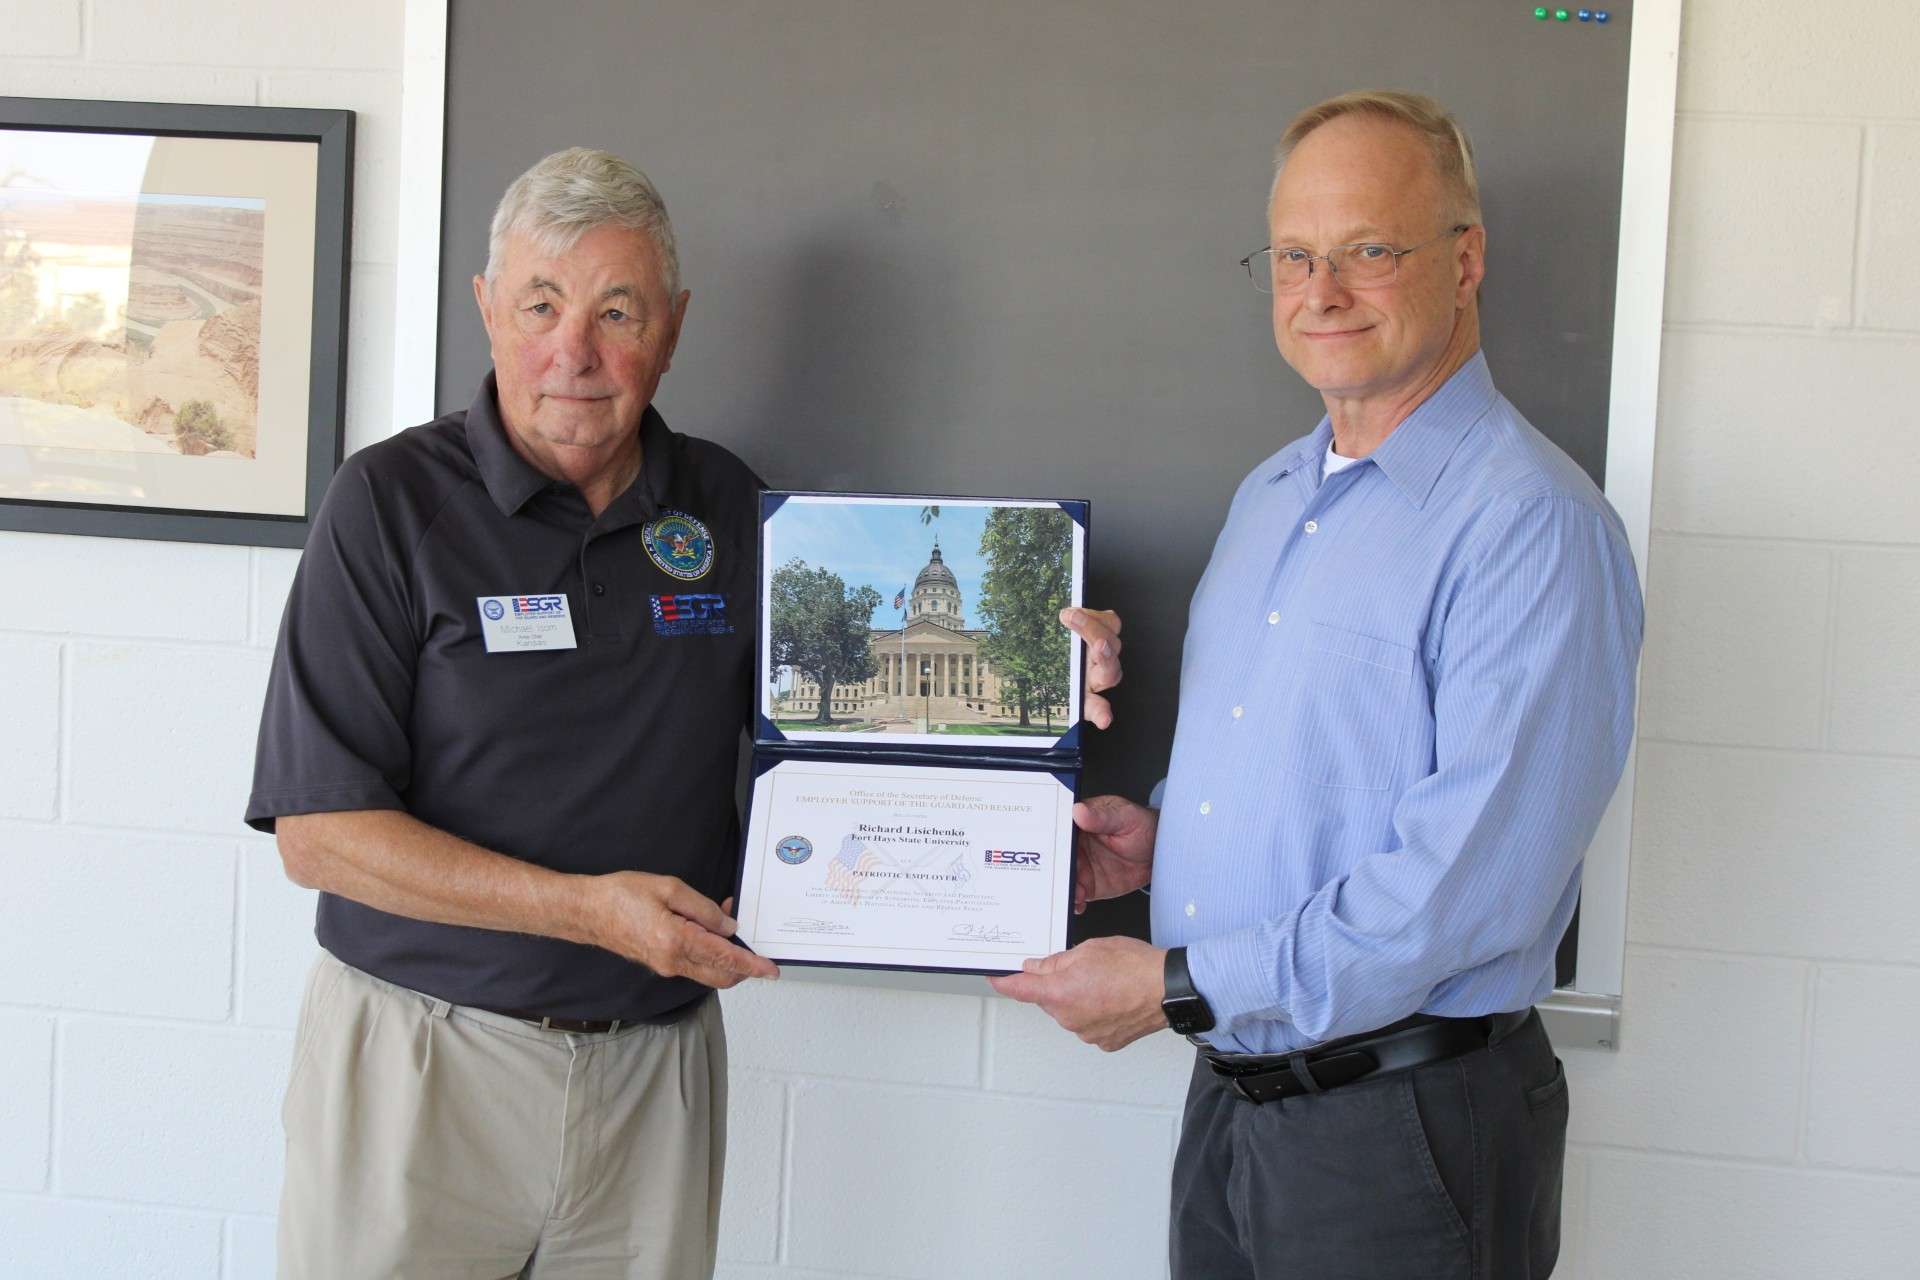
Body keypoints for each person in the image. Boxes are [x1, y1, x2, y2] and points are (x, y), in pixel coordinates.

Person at [246, 145, 1123, 1279]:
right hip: (423, 1058)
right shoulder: (386, 502)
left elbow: (839, 740)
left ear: (673, 327)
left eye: (618, 311)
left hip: (653, 1070)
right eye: (541, 304)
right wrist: (586, 911)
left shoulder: (733, 505)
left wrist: (1046, 681)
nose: (574, 352)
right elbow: (319, 835)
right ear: (486, 307)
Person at [991, 90, 1643, 1279]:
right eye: (1293, 256)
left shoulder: (1530, 527)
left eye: (1369, 250)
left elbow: (1463, 895)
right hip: (1234, 1098)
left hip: (1404, 1127)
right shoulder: (1270, 498)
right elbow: (1319, 783)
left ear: (1467, 259)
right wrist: (1166, 845)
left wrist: (1179, 983)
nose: (1321, 290)